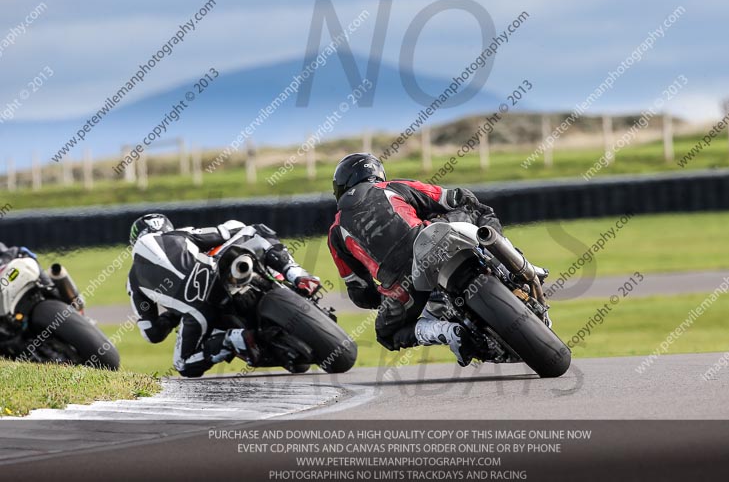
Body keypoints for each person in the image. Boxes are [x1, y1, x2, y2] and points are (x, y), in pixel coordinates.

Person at [327, 153, 503, 367]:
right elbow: (454, 198)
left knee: (387, 334)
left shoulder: (336, 231)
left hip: (400, 284)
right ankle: (512, 265)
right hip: (432, 238)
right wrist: (446, 215)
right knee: (479, 210)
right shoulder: (392, 187)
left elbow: (360, 291)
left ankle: (446, 332)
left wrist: (382, 299)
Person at [127, 214, 321, 378]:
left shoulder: (133, 279)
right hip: (216, 276)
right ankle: (295, 274)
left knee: (183, 364)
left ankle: (230, 340)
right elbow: (228, 230)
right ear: (167, 227)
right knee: (256, 229)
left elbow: (152, 333)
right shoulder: (180, 234)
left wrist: (173, 313)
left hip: (198, 313)